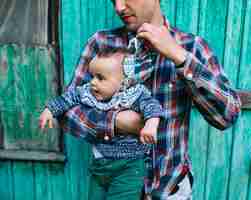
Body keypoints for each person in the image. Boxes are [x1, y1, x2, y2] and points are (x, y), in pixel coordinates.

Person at [60, 0, 242, 199]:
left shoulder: (191, 46)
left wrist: (179, 57)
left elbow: (228, 115)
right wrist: (115, 122)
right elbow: (67, 111)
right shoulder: (101, 43)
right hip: (113, 190)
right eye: (114, 0)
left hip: (169, 191)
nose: (119, 7)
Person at [39, 47, 165, 199]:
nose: (92, 82)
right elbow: (69, 98)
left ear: (124, 82)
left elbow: (152, 106)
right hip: (100, 165)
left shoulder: (134, 96)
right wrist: (50, 110)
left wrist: (151, 123)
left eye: (100, 78)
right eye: (92, 76)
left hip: (129, 167)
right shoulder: (88, 92)